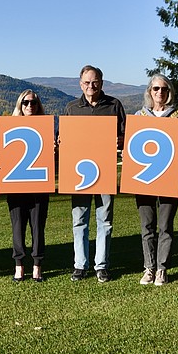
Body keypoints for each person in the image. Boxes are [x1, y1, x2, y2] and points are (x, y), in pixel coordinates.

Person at [63, 65, 126, 283]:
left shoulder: (114, 105)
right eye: (87, 82)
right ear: (81, 84)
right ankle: (80, 265)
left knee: (105, 219)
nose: (91, 86)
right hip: (79, 174)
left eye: (95, 81)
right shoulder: (72, 108)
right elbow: (65, 140)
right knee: (79, 219)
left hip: (105, 171)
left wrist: (118, 141)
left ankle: (101, 265)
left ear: (102, 82)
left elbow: (125, 136)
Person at [133, 75, 178, 287]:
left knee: (166, 225)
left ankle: (162, 268)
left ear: (169, 91)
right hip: (144, 179)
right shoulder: (139, 116)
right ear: (149, 92)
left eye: (163, 89)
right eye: (155, 89)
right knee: (147, 225)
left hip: (169, 178)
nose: (160, 92)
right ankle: (149, 267)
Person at [6, 90, 49, 282]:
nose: (29, 106)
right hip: (16, 186)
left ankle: (37, 265)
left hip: (39, 186)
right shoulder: (10, 127)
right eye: (25, 103)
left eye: (33, 103)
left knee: (38, 227)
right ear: (19, 105)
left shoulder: (46, 127)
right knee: (17, 227)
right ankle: (19, 265)